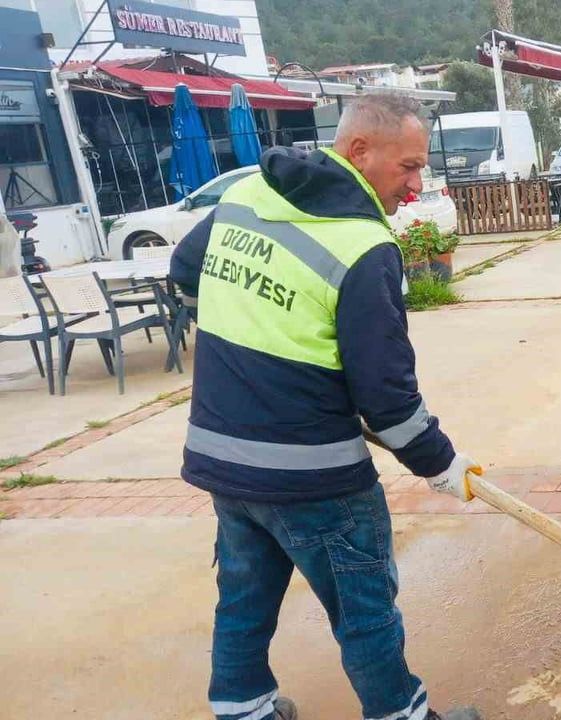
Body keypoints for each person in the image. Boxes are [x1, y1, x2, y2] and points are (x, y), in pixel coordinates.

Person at [170, 94, 482, 720]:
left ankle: (243, 709)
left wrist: (247, 333)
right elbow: (386, 398)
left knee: (244, 596)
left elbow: (184, 270)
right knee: (364, 608)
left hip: (226, 460)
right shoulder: (364, 245)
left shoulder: (250, 193)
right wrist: (441, 465)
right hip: (314, 477)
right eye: (408, 167)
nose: (416, 187)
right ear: (359, 151)